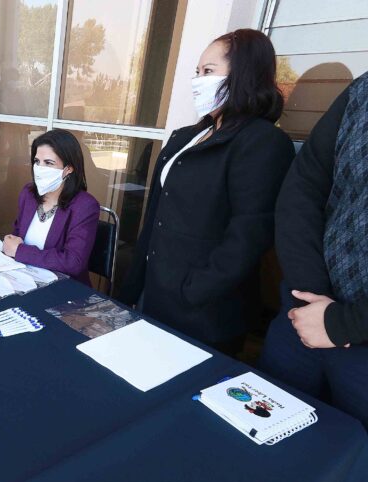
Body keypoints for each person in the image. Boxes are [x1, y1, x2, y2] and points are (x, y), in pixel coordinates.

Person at [118, 29, 295, 353]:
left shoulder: (262, 142)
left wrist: (193, 290)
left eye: (208, 72)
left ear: (244, 74)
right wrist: (133, 283)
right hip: (154, 292)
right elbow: (156, 215)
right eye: (197, 72)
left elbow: (249, 235)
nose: (198, 80)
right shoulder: (186, 136)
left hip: (202, 311)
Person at [260, 72, 368, 429]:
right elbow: (303, 185)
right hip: (303, 316)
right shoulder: (361, 91)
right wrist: (313, 299)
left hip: (358, 342)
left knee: (349, 473)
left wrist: (344, 323)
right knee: (259, 433)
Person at [2, 130, 100, 285]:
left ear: (69, 169)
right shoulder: (28, 194)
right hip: (23, 279)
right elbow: (17, 235)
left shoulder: (85, 206)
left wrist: (20, 251)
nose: (40, 168)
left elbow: (74, 262)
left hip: (62, 289)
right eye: (36, 161)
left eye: (48, 163)